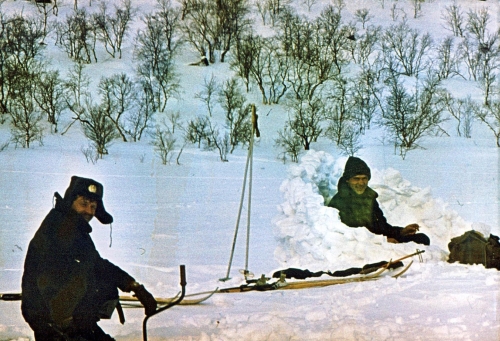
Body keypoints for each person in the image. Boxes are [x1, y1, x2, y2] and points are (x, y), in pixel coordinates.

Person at [21, 176, 158, 341]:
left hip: (76, 324)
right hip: (56, 328)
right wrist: (57, 331)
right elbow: (44, 285)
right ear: (71, 201)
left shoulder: (72, 227)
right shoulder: (60, 228)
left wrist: (133, 286)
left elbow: (96, 264)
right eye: (83, 203)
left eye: (93, 206)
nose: (89, 211)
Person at [328, 157, 430, 246]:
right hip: (361, 246)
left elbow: (381, 227)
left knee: (422, 239)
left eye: (364, 178)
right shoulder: (339, 202)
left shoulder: (369, 198)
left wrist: (401, 231)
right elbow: (350, 235)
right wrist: (382, 241)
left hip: (378, 240)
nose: (361, 183)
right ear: (347, 180)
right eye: (356, 179)